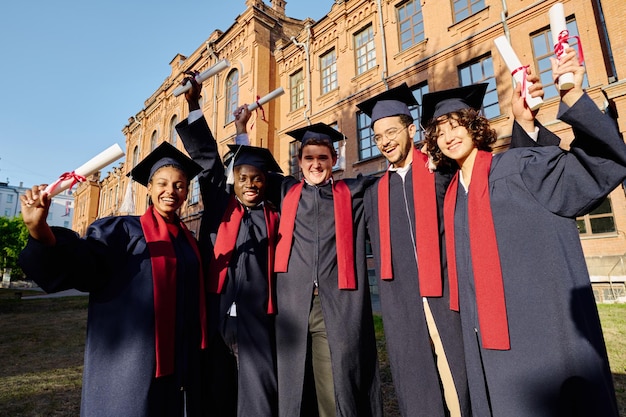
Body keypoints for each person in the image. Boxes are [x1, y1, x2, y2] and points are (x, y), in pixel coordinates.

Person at [422, 47, 622, 416]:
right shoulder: (452, 195)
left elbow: (598, 163)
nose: (449, 136)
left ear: (474, 125)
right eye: (439, 132)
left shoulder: (516, 168)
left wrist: (572, 95)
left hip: (538, 335)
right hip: (487, 337)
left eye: (456, 124)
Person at [356, 69, 551, 417]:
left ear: (410, 130)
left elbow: (497, 181)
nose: (384, 141)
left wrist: (526, 126)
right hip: (401, 301)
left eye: (391, 132)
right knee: (413, 380)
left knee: (459, 376)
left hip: (448, 293)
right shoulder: (373, 192)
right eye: (377, 136)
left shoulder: (442, 172)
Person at [18, 142, 209, 417]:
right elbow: (82, 262)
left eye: (179, 185)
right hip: (130, 361)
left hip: (180, 359)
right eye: (163, 184)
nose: (171, 191)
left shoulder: (189, 240)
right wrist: (39, 229)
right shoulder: (122, 232)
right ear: (150, 187)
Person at [175, 76, 281, 417]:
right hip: (216, 311)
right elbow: (208, 159)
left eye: (258, 179)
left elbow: (250, 164)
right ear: (233, 181)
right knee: (216, 389)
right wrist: (194, 104)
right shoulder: (221, 205)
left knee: (257, 391)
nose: (251, 184)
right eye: (244, 179)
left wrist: (243, 132)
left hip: (258, 318)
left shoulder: (272, 214)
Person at [273, 122, 382, 417]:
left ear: (334, 160)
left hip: (333, 306)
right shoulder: (283, 192)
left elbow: (393, 180)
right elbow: (244, 171)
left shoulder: (353, 192)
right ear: (299, 162)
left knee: (332, 386)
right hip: (291, 307)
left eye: (322, 158)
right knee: (293, 386)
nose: (316, 164)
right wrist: (243, 128)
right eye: (309, 158)